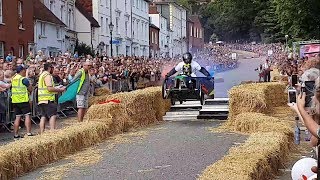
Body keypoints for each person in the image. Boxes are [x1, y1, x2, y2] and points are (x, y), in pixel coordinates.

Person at [38, 63, 65, 133]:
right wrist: (60, 90)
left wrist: (56, 88)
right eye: (52, 68)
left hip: (42, 99)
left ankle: (42, 132)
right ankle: (52, 131)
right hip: (48, 99)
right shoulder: (47, 75)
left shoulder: (42, 75)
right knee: (53, 115)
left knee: (43, 116)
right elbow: (49, 89)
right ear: (50, 68)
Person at [11, 65, 33, 138]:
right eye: (24, 70)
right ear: (21, 71)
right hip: (23, 100)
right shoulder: (23, 79)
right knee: (27, 115)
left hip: (15, 100)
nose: (25, 72)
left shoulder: (13, 78)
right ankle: (29, 133)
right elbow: (30, 89)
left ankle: (16, 134)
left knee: (17, 117)